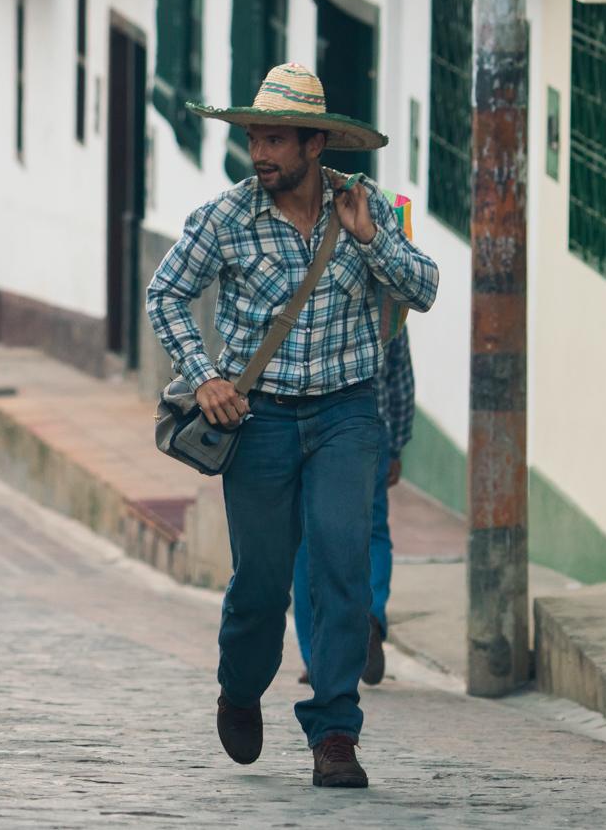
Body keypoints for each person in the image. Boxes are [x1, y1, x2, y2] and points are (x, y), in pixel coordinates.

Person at [145, 63, 438, 790]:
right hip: (262, 419)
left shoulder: (363, 208)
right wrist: (205, 375)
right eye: (256, 138)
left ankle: (336, 728)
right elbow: (167, 292)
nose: (262, 152)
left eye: (277, 139)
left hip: (347, 412)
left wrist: (371, 239)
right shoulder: (228, 215)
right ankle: (240, 687)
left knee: (342, 568)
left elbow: (424, 288)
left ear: (314, 144)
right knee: (262, 583)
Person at [294, 330, 413, 686]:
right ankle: (371, 615)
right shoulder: (390, 298)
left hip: (312, 426)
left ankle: (316, 655)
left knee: (306, 539)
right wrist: (397, 445)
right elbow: (401, 381)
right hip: (372, 428)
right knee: (373, 529)